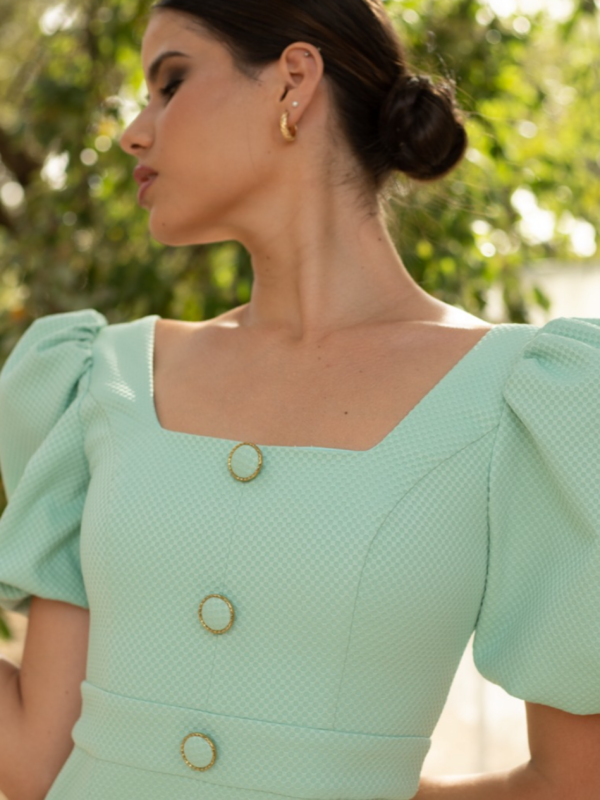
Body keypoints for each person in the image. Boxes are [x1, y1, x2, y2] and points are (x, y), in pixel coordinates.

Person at [0, 0, 599, 798]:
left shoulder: (523, 401)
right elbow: (35, 762)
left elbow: (573, 781)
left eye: (170, 84)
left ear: (293, 80)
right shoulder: (98, 378)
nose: (133, 133)